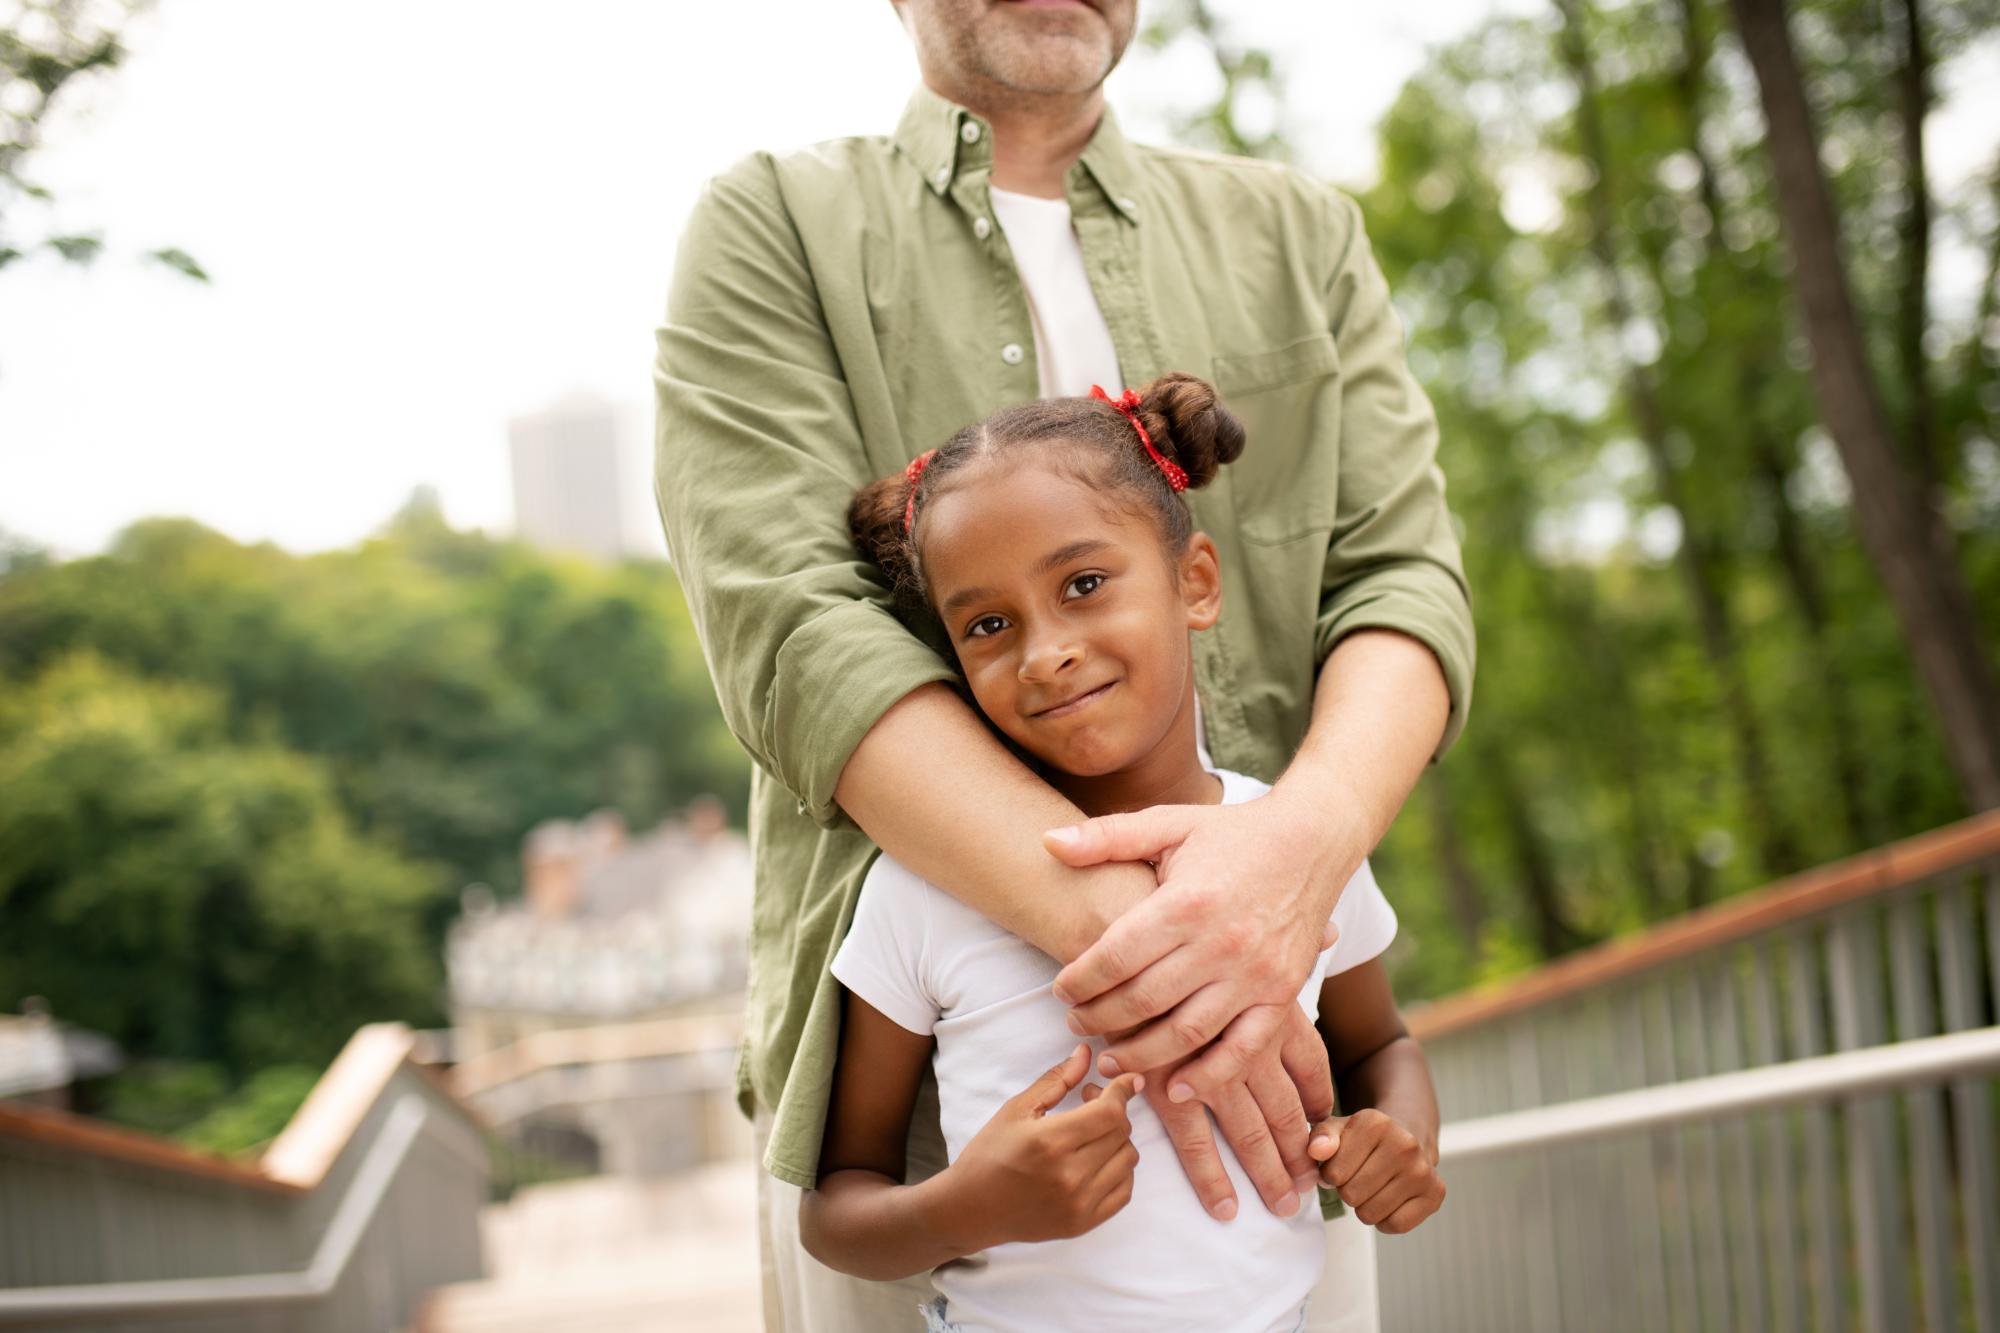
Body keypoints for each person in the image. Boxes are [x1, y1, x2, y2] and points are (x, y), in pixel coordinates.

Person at [653, 0, 1473, 1326]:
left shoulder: (1298, 233)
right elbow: (793, 625)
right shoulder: (773, 223)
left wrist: (1299, 856)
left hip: (1276, 1118)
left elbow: (1405, 577)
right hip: (940, 1140)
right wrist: (1182, 964)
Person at [799, 375, 1445, 1333]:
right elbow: (838, 1204)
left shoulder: (1293, 850)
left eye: (1084, 585)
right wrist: (970, 1204)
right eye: (987, 624)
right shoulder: (921, 892)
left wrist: (1399, 1138)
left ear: (1196, 582)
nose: (1044, 652)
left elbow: (1379, 1044)